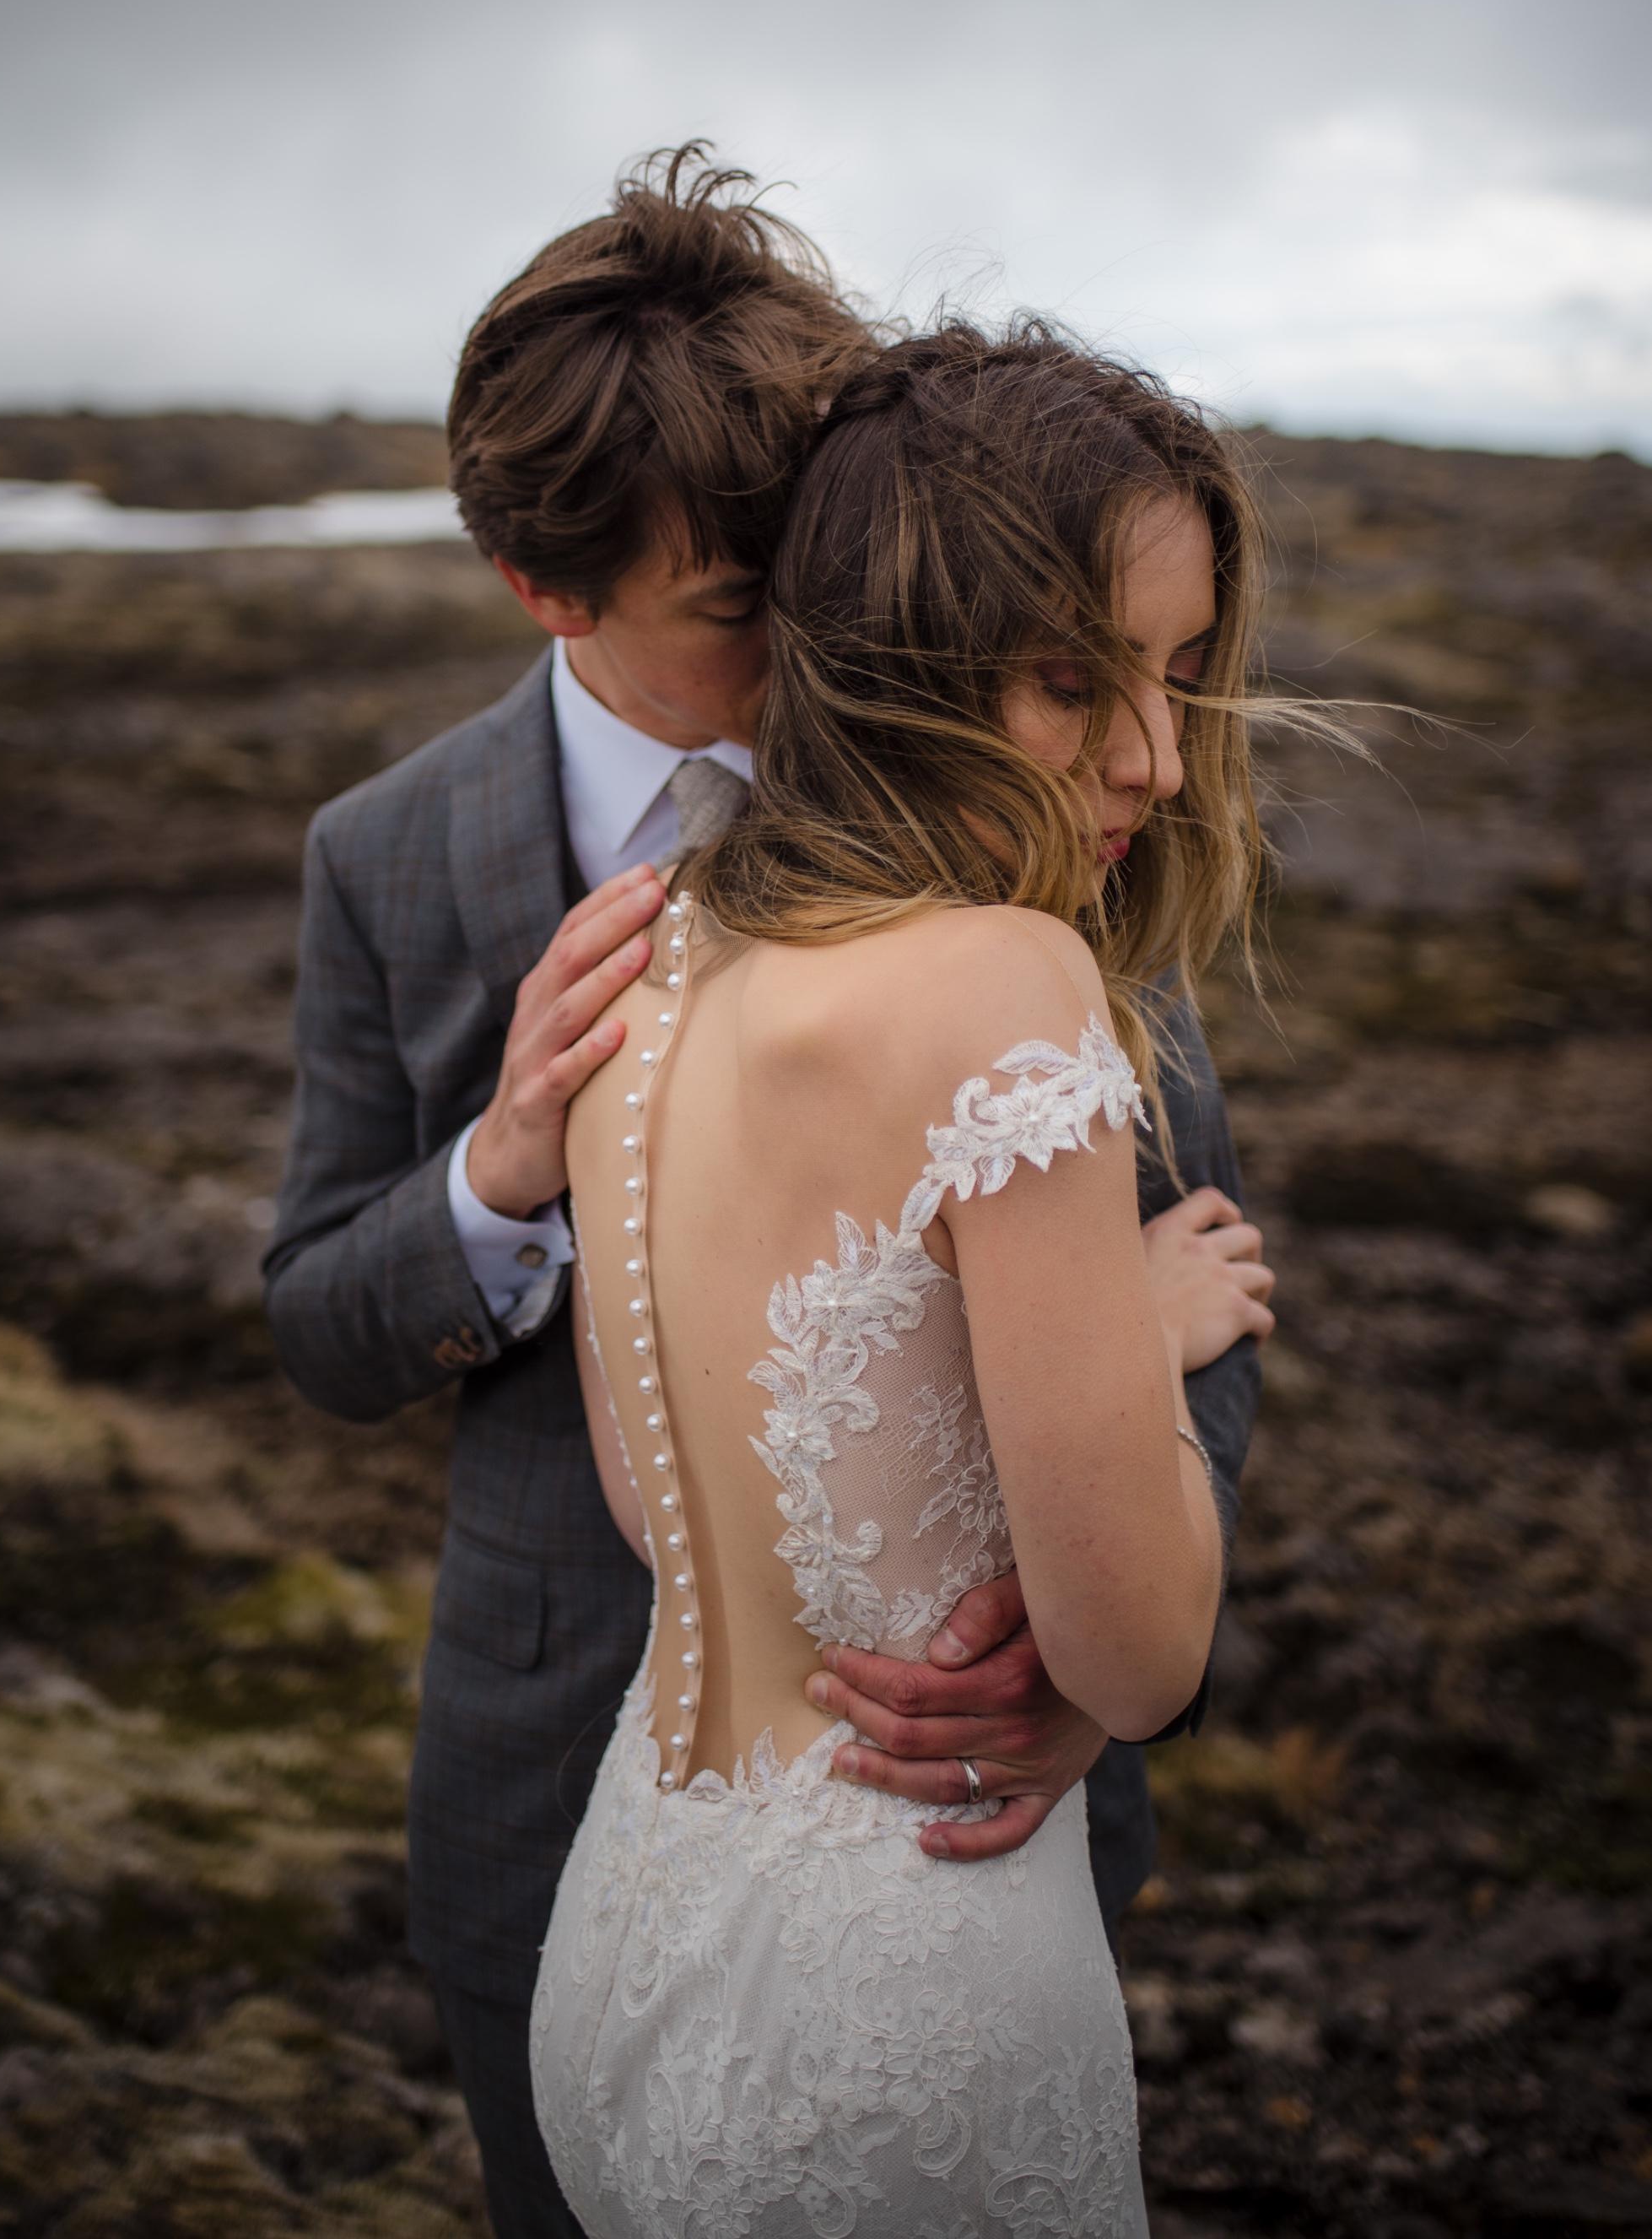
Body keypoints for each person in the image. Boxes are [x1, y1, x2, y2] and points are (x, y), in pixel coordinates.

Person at [262, 157, 1264, 2239]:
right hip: (578, 1786)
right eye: (743, 603)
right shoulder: (393, 852)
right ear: (555, 589)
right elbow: (312, 1319)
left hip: (966, 1803)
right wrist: (496, 1177)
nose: (825, 639)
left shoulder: (1019, 786)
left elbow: (1180, 1235)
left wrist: (1083, 1653)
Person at [532, 322, 1276, 2236]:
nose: (1149, 757)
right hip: (900, 2002)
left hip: (628, 1940)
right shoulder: (1002, 981)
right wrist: (1137, 1323)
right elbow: (1134, 1655)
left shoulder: (652, 957)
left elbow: (671, 1504)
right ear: (891, 655)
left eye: (1180, 678)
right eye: (1065, 680)